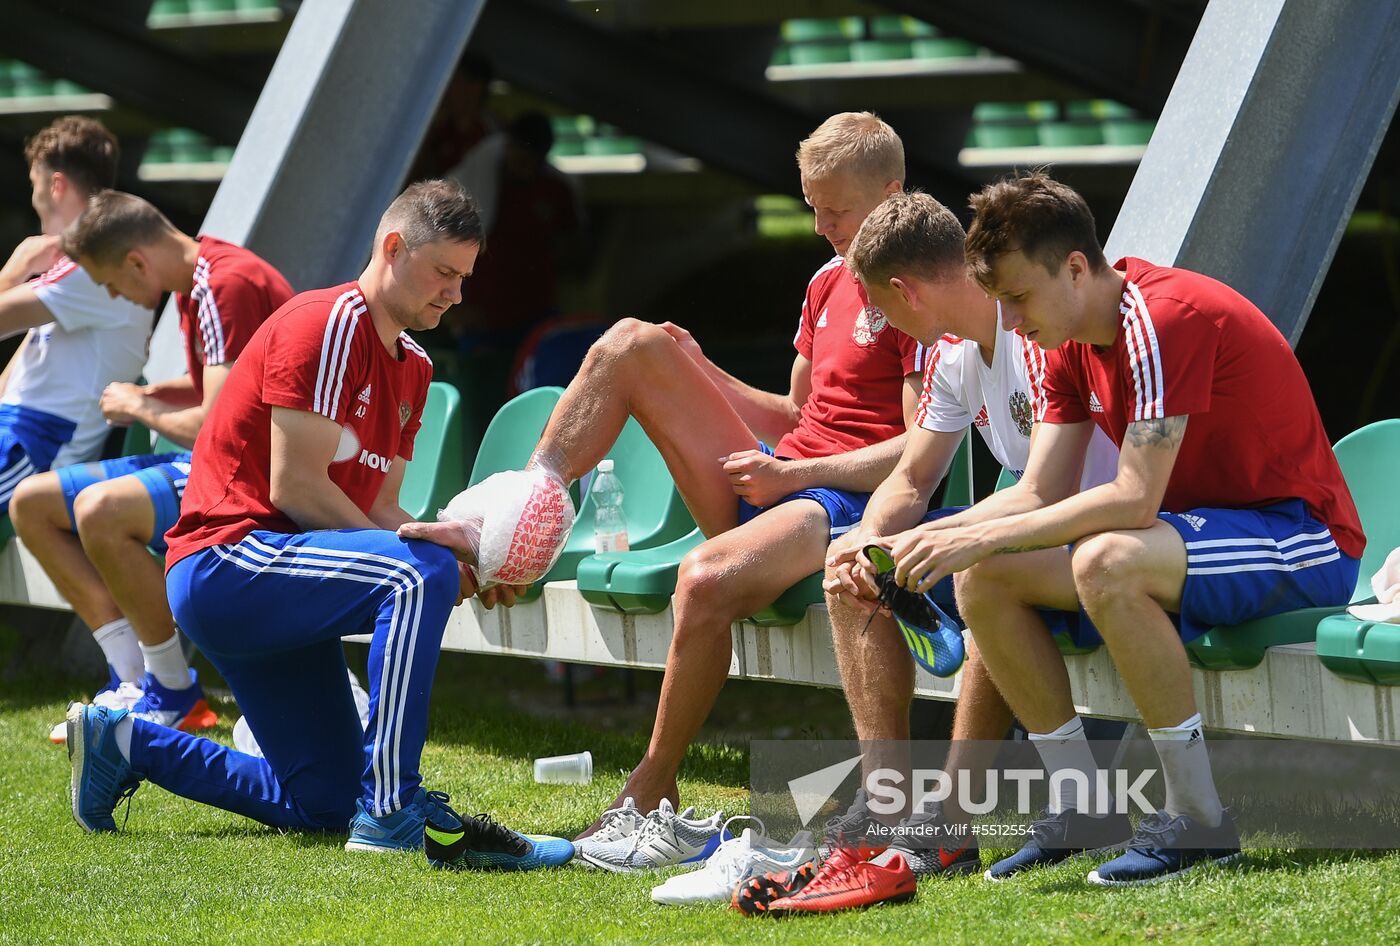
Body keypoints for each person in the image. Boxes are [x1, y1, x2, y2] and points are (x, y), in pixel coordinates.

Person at [411, 112, 926, 859]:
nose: (820, 226)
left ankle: (653, 787)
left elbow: (920, 450)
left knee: (703, 578)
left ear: (891, 193)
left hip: (843, 501)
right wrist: (702, 368)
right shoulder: (824, 282)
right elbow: (794, 414)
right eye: (812, 207)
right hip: (787, 481)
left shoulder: (914, 290)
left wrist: (796, 474)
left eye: (836, 211)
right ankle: (517, 514)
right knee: (633, 342)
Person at [879, 172, 1363, 886]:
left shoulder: (1161, 319)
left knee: (1104, 560)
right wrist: (929, 541)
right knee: (985, 578)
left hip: (1300, 535)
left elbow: (1134, 500)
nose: (1009, 323)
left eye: (1017, 297)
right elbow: (1039, 490)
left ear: (1075, 267)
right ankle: (1083, 808)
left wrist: (979, 533)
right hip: (1195, 536)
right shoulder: (1069, 343)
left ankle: (1199, 820)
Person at [66, 181, 551, 865]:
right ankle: (392, 809)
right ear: (392, 248)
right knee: (419, 575)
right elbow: (296, 489)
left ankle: (122, 743)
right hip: (225, 564)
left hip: (278, 577)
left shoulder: (414, 365)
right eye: (444, 272)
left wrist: (469, 560)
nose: (457, 293)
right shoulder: (322, 323)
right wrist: (430, 565)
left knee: (322, 802)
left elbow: (381, 510)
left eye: (464, 277)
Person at [821, 191, 1119, 876]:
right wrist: (868, 542)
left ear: (904, 291)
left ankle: (950, 821)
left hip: (1088, 526)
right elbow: (911, 478)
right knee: (849, 579)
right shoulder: (954, 352)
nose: (880, 321)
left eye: (879, 306)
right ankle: (887, 801)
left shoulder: (1039, 330)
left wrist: (944, 539)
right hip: (1030, 524)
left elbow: (1047, 493)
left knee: (981, 570)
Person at [10, 191, 293, 743]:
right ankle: (134, 678)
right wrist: (154, 393)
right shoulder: (201, 281)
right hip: (220, 460)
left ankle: (171, 691)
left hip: (252, 475)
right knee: (32, 502)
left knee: (101, 510)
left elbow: (220, 425)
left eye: (110, 280)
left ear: (137, 261)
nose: (114, 293)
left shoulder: (223, 284)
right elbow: (226, 388)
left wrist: (140, 407)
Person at [0, 117, 152, 511]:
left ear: (56, 185)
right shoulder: (74, 273)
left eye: (34, 185)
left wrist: (13, 271)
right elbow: (12, 379)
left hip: (35, 449)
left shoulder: (91, 265)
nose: (34, 198)